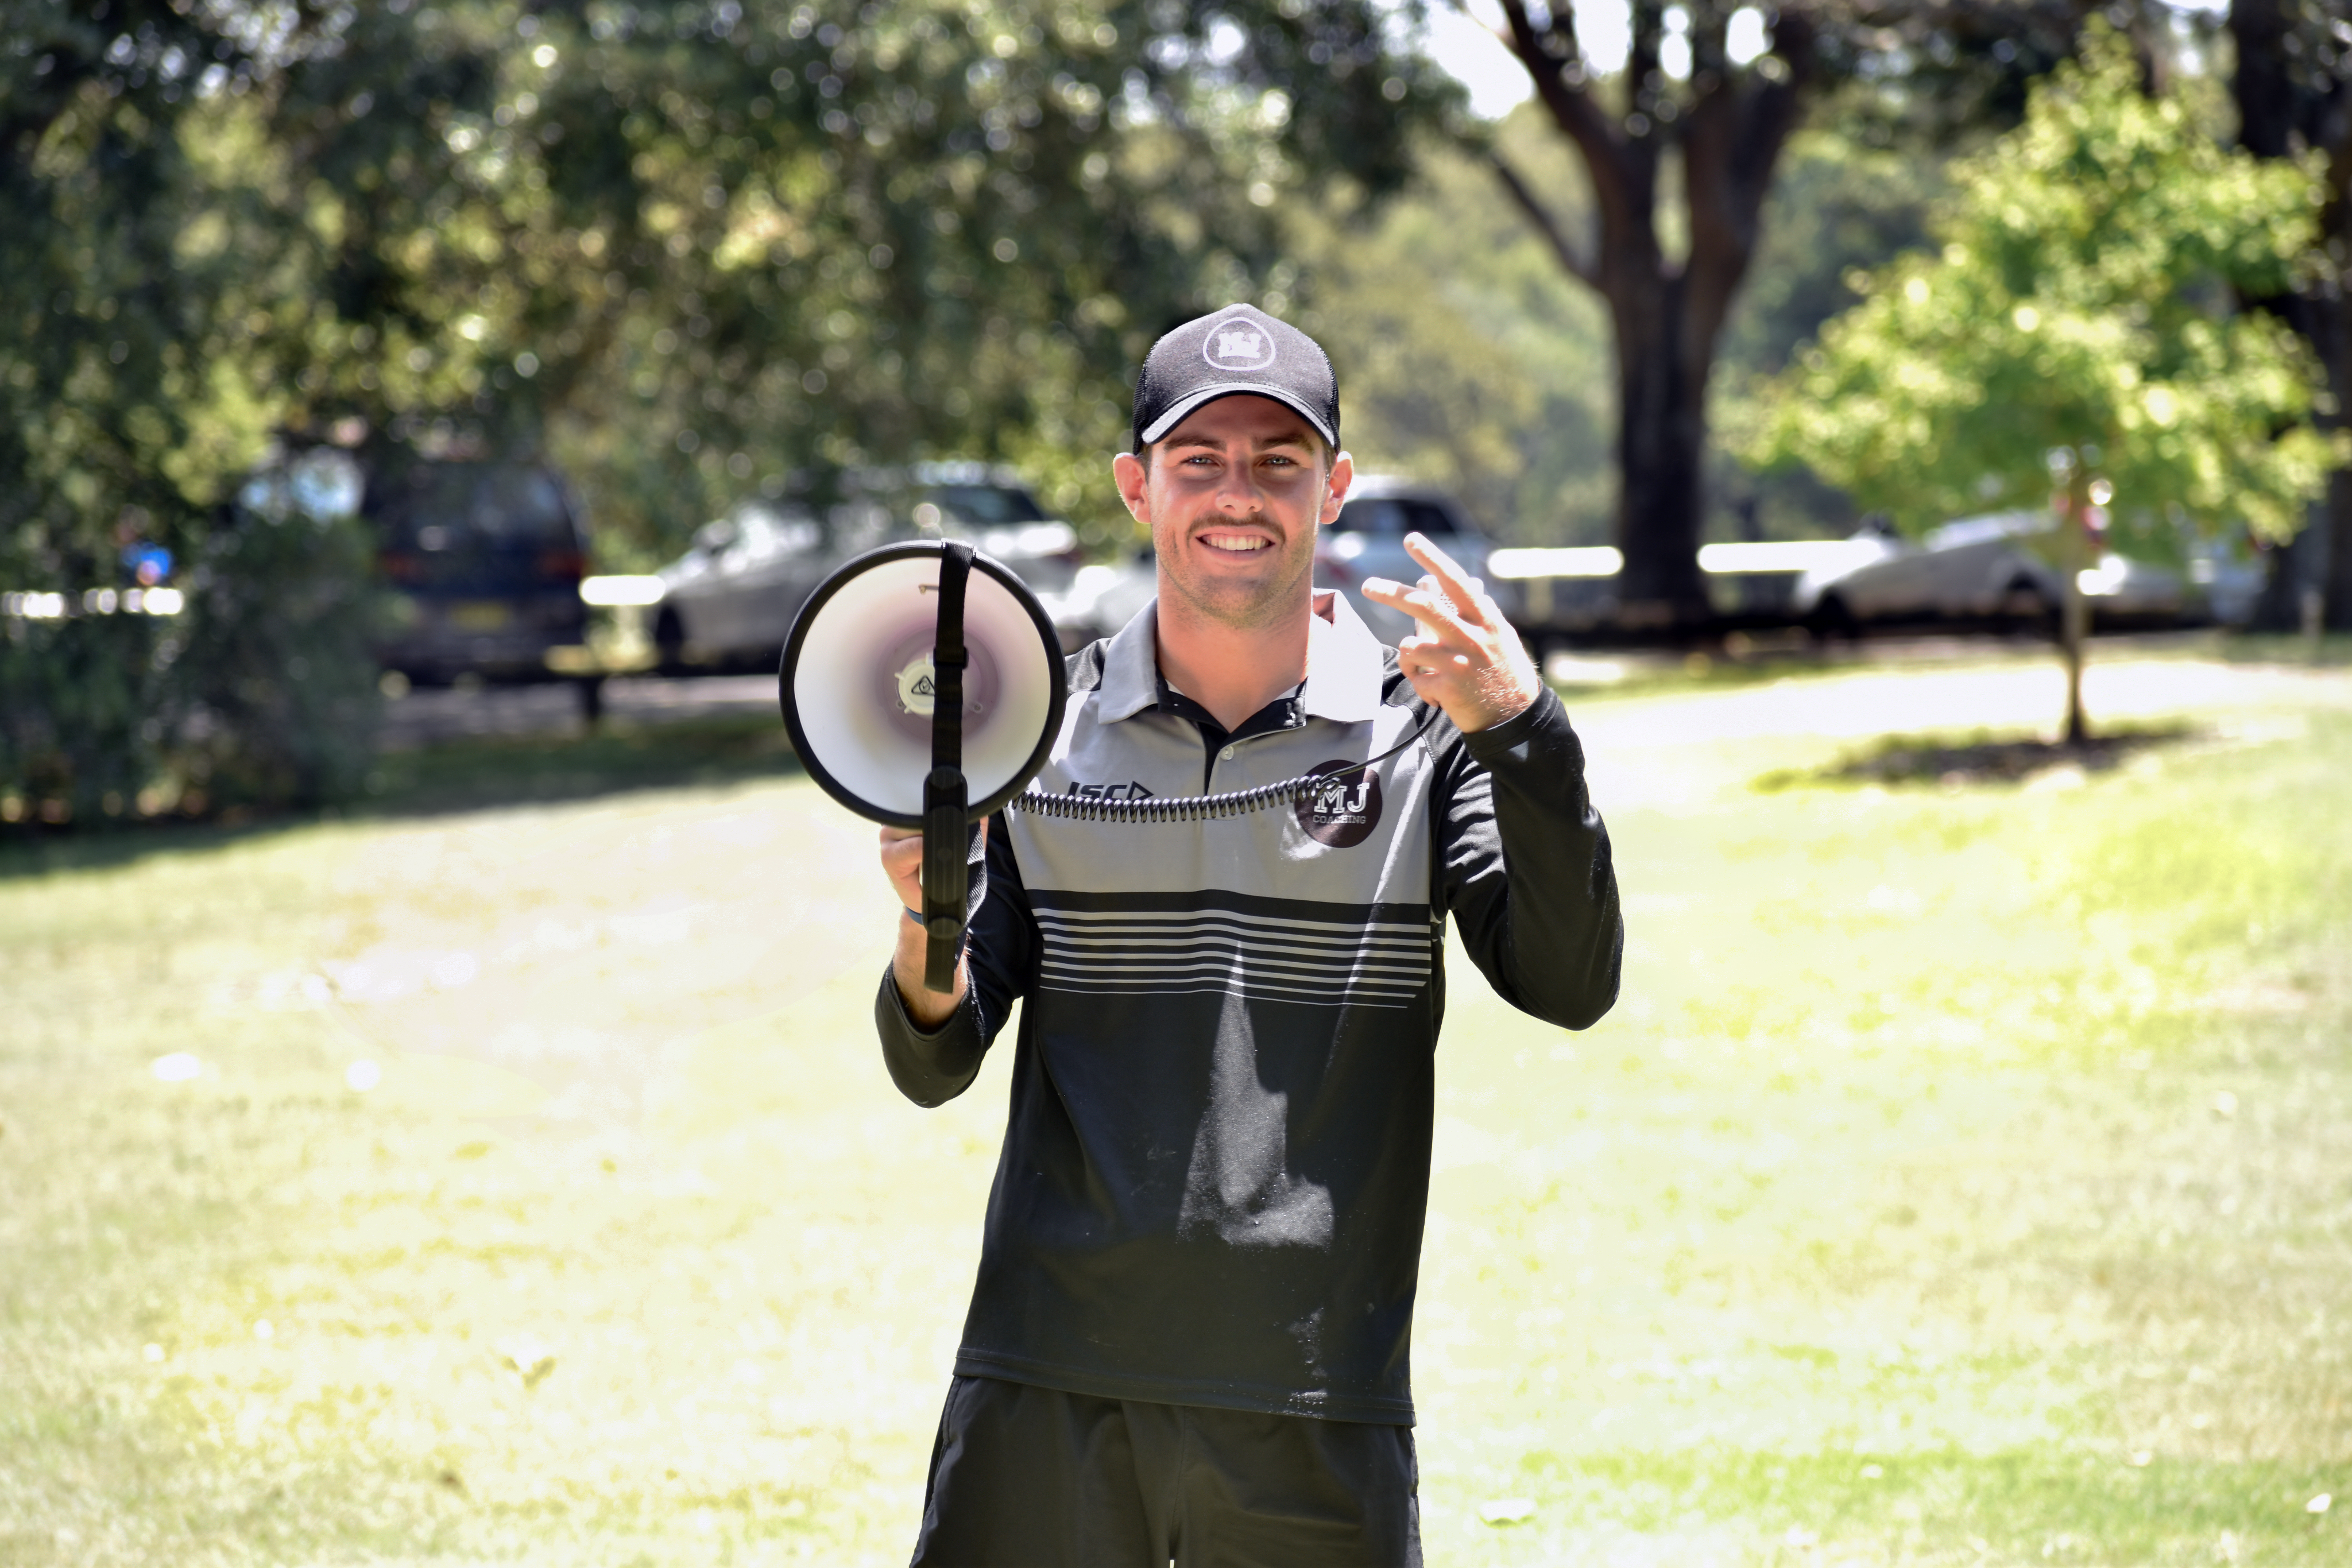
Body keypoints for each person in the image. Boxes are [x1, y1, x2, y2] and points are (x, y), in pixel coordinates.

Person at [872, 304, 1622, 1566]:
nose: (1239, 495)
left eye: (1278, 461)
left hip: (1314, 1400)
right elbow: (932, 1057)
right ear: (1135, 487)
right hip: (1048, 1384)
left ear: (1331, 489)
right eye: (1197, 459)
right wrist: (921, 917)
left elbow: (1567, 983)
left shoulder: (1432, 736)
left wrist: (1524, 727)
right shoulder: (1032, 735)